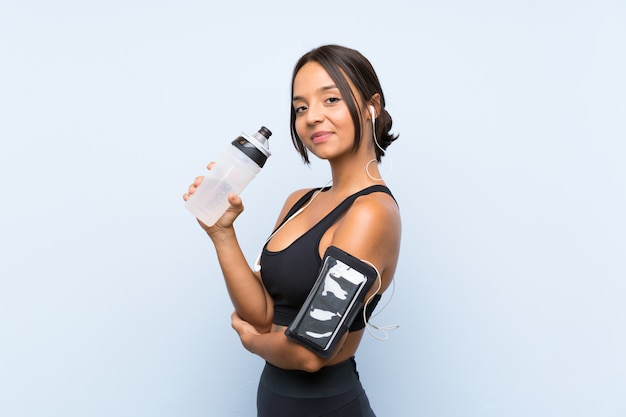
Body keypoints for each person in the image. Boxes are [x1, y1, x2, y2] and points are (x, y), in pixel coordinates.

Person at [183, 44, 401, 417]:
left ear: (371, 106)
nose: (312, 117)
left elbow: (308, 353)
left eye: (330, 99)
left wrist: (254, 344)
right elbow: (263, 315)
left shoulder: (371, 213)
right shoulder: (299, 201)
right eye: (301, 107)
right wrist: (222, 234)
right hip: (274, 403)